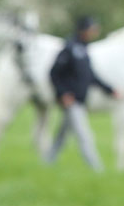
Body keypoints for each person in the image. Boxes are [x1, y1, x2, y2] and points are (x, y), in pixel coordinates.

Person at [45, 15, 119, 172]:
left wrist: (110, 90)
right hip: (71, 101)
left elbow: (90, 76)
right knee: (84, 135)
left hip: (80, 99)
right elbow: (54, 73)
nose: (94, 32)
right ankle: (97, 169)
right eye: (92, 29)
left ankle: (48, 161)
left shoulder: (84, 49)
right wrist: (63, 94)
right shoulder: (69, 48)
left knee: (61, 135)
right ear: (83, 30)